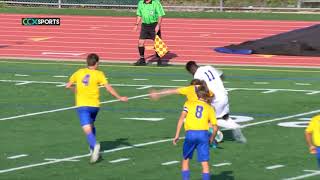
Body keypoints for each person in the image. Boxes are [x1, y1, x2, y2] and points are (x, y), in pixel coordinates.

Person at [66, 53, 128, 163]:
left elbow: (68, 85)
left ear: (87, 63)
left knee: (86, 128)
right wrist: (119, 97)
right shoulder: (99, 74)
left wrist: (76, 90)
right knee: (91, 125)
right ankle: (92, 148)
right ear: (97, 63)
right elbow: (108, 88)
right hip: (95, 106)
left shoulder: (79, 72)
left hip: (82, 105)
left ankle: (95, 145)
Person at [185, 61, 247, 143]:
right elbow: (222, 75)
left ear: (190, 70)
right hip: (224, 95)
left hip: (215, 99)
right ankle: (234, 126)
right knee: (225, 117)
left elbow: (204, 87)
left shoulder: (197, 75)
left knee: (206, 117)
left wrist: (208, 98)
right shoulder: (208, 67)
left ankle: (217, 134)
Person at [173, 85, 218, 180]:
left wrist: (177, 134)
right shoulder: (209, 108)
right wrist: (212, 139)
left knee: (185, 160)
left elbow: (181, 118)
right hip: (203, 135)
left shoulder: (189, 103)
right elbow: (215, 128)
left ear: (197, 94)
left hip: (190, 134)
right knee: (205, 164)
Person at [133, 0, 165, 66]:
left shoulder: (156, 2)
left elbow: (160, 15)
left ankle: (159, 60)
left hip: (154, 24)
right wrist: (136, 24)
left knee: (157, 43)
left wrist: (158, 25)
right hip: (144, 25)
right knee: (140, 42)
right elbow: (139, 15)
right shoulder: (140, 2)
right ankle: (142, 59)